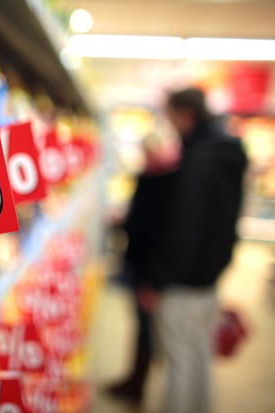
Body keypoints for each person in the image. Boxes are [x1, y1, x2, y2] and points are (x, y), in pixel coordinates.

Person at [137, 87, 248, 413]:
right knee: (198, 356)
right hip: (209, 278)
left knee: (178, 363)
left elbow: (183, 231)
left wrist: (156, 280)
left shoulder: (197, 161)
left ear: (185, 115)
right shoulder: (227, 155)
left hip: (181, 283)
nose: (169, 125)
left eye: (170, 117)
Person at [108, 128, 180, 402]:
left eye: (149, 153)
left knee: (146, 330)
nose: (145, 158)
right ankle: (134, 380)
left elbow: (154, 232)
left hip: (149, 269)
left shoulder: (166, 183)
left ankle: (137, 385)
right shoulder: (153, 178)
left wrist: (154, 280)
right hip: (140, 264)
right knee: (140, 327)